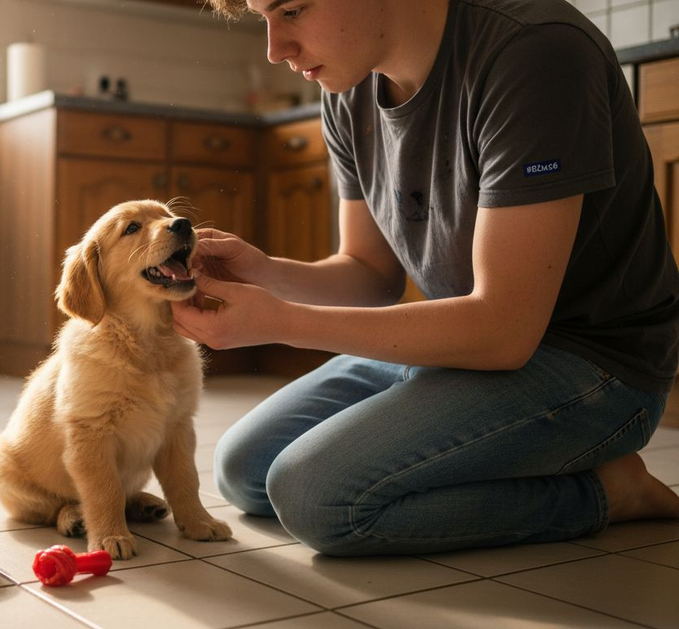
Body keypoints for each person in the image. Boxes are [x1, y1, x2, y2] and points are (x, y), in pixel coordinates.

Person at [172, 0, 679, 556]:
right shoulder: (349, 82)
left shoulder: (535, 52)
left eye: (291, 10)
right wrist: (265, 274)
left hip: (593, 364)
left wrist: (283, 322)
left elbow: (505, 331)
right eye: (262, 18)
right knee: (244, 469)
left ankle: (609, 492)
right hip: (459, 347)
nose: (274, 50)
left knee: (314, 496)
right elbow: (370, 276)